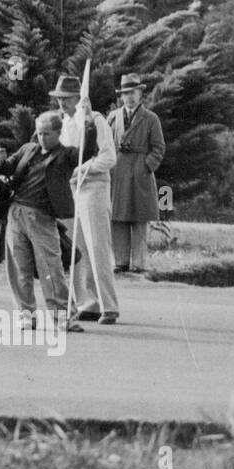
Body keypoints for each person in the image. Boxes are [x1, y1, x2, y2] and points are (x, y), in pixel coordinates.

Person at [0, 111, 83, 332]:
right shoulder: (28, 149)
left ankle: (63, 317)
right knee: (19, 268)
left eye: (46, 134)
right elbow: (9, 168)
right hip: (16, 212)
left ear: (58, 133)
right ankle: (26, 315)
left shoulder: (66, 155)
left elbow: (87, 152)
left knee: (50, 267)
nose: (41, 138)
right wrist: (0, 161)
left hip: (42, 216)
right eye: (39, 133)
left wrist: (89, 123)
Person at [51, 74, 120, 325]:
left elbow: (109, 157)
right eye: (58, 99)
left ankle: (109, 306)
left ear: (78, 98)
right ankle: (87, 303)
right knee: (75, 249)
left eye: (66, 99)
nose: (61, 104)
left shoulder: (95, 120)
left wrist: (83, 168)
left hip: (94, 186)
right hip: (71, 188)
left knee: (97, 246)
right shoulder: (61, 124)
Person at [108, 73, 166, 274]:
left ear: (140, 93)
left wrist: (146, 166)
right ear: (121, 96)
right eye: (125, 93)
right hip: (117, 171)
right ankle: (120, 261)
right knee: (118, 218)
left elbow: (159, 147)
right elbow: (105, 144)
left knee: (139, 219)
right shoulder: (113, 117)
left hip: (140, 172)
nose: (129, 97)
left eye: (133, 93)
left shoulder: (151, 118)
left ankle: (139, 264)